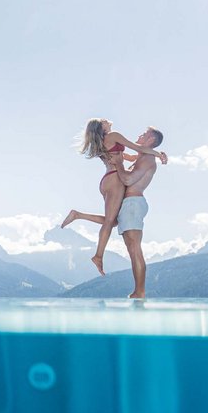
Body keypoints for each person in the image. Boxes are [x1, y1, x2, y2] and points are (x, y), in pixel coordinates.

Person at [61, 119, 166, 276]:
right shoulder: (113, 136)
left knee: (114, 221)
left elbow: (131, 157)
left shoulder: (103, 142)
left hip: (107, 180)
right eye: (103, 121)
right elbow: (137, 147)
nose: (107, 120)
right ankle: (98, 256)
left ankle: (78, 215)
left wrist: (147, 156)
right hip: (115, 179)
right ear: (102, 127)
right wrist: (159, 154)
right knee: (110, 221)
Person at [109, 126, 164, 298]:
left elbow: (128, 179)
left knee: (134, 249)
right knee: (132, 249)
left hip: (133, 204)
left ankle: (140, 291)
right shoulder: (142, 156)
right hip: (130, 204)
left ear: (151, 140)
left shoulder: (147, 159)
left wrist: (118, 163)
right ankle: (138, 290)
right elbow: (127, 155)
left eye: (144, 134)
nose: (140, 135)